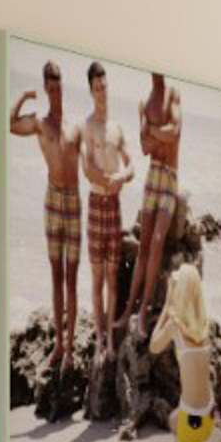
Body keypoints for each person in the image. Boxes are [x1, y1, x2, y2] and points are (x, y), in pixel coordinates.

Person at [9, 61, 83, 374]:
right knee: (56, 275)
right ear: (45, 89)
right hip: (52, 200)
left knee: (72, 276)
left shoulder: (75, 126)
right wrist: (24, 97)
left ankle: (71, 346)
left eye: (58, 86)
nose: (55, 92)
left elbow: (91, 162)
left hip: (74, 201)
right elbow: (10, 124)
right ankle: (59, 345)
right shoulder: (40, 123)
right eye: (50, 88)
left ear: (63, 86)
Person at [148, 259, 221, 442]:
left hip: (194, 421)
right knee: (173, 420)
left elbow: (153, 346)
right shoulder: (203, 325)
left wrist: (167, 303)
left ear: (180, 290)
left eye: (177, 277)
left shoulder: (175, 326)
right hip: (207, 413)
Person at [75, 62, 134, 352]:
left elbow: (131, 165)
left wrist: (122, 176)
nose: (102, 92)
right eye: (97, 88)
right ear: (91, 91)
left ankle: (110, 338)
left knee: (112, 276)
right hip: (97, 204)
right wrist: (109, 180)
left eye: (105, 86)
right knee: (97, 277)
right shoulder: (87, 126)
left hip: (114, 207)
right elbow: (86, 168)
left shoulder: (116, 128)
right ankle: (99, 338)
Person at [128, 70, 183, 332]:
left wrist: (150, 129)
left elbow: (174, 133)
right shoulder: (144, 103)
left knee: (157, 241)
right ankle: (129, 308)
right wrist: (156, 133)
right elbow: (144, 147)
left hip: (169, 176)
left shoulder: (173, 94)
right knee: (144, 246)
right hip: (152, 175)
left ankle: (143, 311)